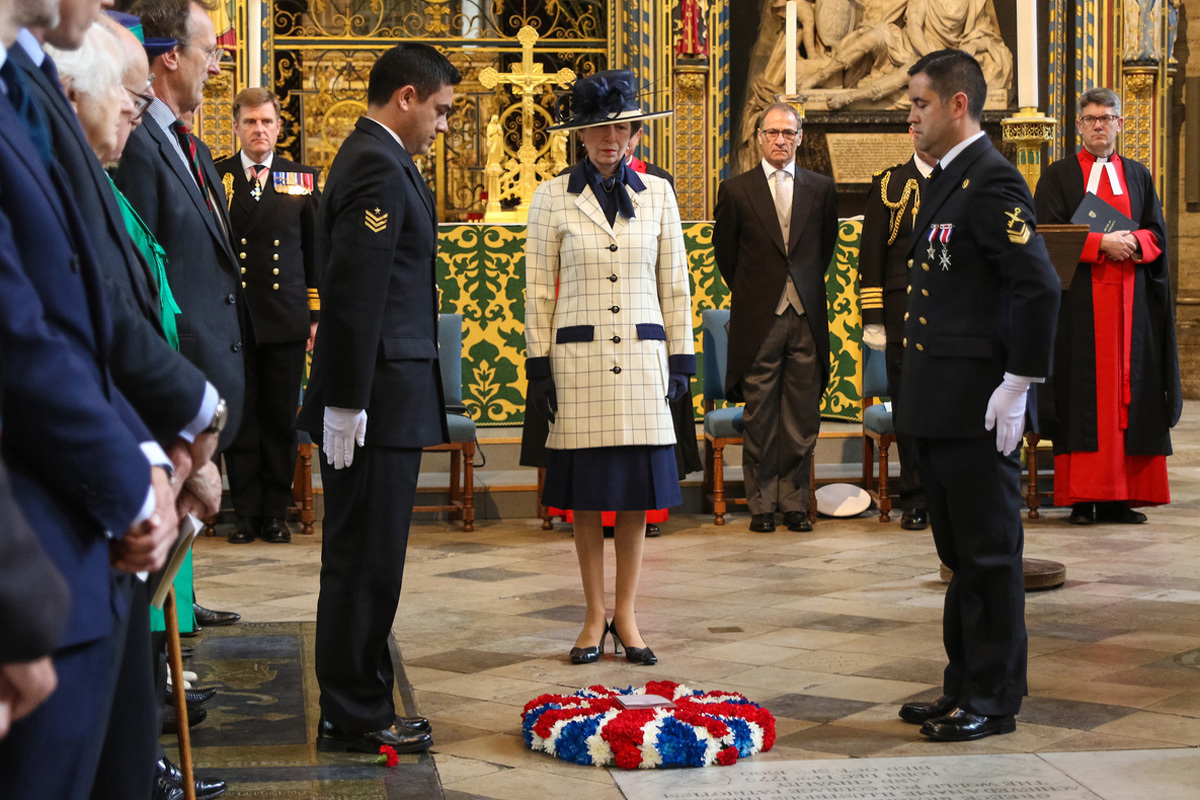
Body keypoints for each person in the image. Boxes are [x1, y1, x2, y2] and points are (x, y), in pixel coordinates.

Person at [0, 3, 180, 798]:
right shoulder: (30, 95)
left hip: (72, 537)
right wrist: (135, 477)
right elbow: (26, 329)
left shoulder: (24, 86)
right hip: (42, 551)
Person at [295, 42, 456, 754]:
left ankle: (359, 697)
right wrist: (347, 402)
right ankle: (354, 711)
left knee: (373, 555)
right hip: (376, 399)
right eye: (442, 110)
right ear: (407, 98)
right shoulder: (374, 162)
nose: (444, 125)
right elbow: (357, 293)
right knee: (365, 557)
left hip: (387, 391)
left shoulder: (384, 159)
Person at [895, 49, 1059, 742]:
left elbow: (1039, 285)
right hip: (942, 402)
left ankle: (993, 700)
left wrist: (1019, 383)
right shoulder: (946, 180)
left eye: (920, 104)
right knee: (961, 558)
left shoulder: (992, 181)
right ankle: (963, 683)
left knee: (991, 558)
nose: (911, 117)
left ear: (957, 105)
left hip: (978, 405)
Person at [525, 68, 693, 666]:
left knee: (634, 495)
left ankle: (627, 612)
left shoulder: (661, 196)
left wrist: (682, 357)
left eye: (620, 128)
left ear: (634, 134)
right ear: (581, 134)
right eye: (598, 128)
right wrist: (538, 365)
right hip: (580, 365)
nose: (609, 139)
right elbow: (539, 290)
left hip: (644, 364)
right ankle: (593, 615)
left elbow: (675, 283)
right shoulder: (550, 197)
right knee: (590, 496)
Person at [113, 0, 244, 631]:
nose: (215, 69)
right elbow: (142, 264)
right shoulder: (138, 145)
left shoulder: (184, 142)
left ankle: (181, 603)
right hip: (174, 356)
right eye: (209, 53)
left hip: (201, 357)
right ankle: (168, 621)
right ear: (171, 57)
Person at [1033, 87, 1181, 526]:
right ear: (1079, 125)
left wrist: (1134, 242)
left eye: (1107, 117)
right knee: (1083, 397)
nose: (1099, 125)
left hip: (1132, 309)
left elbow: (1157, 232)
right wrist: (1101, 243)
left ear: (1119, 124)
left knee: (1129, 399)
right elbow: (1045, 234)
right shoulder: (1058, 176)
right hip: (1080, 308)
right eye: (1091, 118)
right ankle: (1083, 498)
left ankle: (1123, 497)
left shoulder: (1138, 175)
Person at [712, 101, 838, 533]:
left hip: (805, 314)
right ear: (760, 137)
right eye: (772, 133)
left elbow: (824, 250)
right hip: (759, 319)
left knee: (801, 416)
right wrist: (760, 293)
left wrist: (797, 288)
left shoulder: (821, 188)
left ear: (800, 137)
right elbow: (727, 258)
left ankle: (795, 503)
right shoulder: (736, 189)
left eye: (789, 133)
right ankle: (762, 504)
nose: (780, 140)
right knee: (761, 415)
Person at [216, 87, 321, 545]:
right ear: (237, 127)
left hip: (285, 316)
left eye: (267, 122)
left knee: (280, 419)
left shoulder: (301, 178)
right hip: (233, 316)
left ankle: (276, 514)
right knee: (240, 419)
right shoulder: (216, 176)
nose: (259, 130)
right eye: (250, 122)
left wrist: (315, 315)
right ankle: (244, 515)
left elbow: (316, 251)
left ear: (279, 127)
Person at [859, 129, 935, 530]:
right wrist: (874, 321)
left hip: (950, 316)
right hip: (902, 314)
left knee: (949, 410)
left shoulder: (963, 181)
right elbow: (871, 254)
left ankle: (950, 496)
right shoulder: (890, 185)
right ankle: (917, 498)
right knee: (909, 411)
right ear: (910, 133)